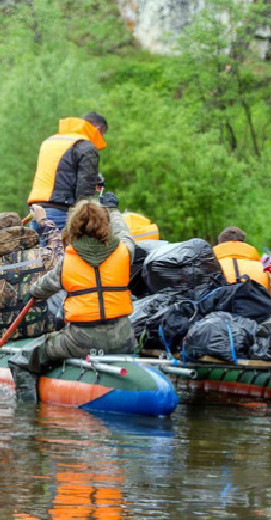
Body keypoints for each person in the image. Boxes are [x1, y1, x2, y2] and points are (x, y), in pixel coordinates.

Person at [9, 193, 136, 402]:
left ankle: (29, 420)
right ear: (105, 224)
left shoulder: (68, 260)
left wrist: (30, 293)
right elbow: (125, 234)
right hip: (123, 339)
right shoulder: (124, 250)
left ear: (74, 226)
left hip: (79, 341)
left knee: (21, 361)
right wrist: (113, 210)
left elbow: (41, 287)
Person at [27, 112, 108, 230]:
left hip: (36, 211)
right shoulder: (86, 146)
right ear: (97, 129)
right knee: (59, 249)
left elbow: (58, 174)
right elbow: (84, 190)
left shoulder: (51, 141)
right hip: (61, 213)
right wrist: (86, 220)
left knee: (40, 248)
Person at [0, 204, 64, 339]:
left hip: (5, 334)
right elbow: (60, 253)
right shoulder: (41, 256)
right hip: (39, 329)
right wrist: (43, 221)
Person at [213, 226, 271, 297]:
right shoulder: (262, 269)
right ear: (243, 243)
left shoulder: (209, 268)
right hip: (255, 306)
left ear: (220, 243)